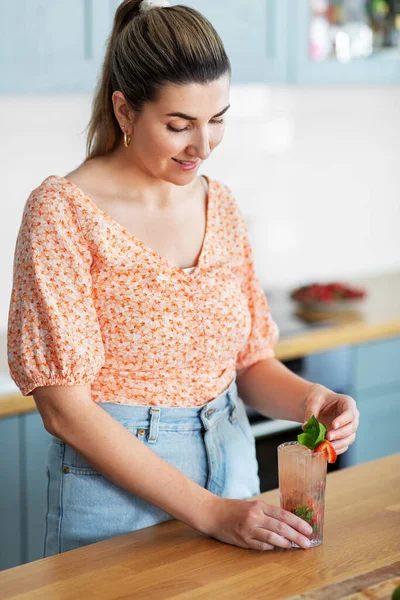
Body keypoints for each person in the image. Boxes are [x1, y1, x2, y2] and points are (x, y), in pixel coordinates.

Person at [7, 0, 359, 557]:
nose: (203, 146)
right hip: (115, 500)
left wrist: (312, 399)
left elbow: (248, 363)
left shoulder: (219, 204)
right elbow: (63, 409)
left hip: (234, 469)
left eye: (217, 120)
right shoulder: (62, 212)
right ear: (125, 112)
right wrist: (211, 513)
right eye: (179, 125)